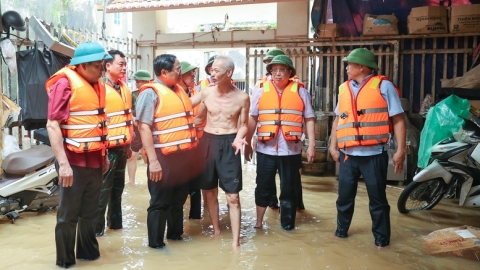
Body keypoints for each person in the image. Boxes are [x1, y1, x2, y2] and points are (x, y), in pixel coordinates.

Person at [329, 48, 406, 247]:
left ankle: (381, 241)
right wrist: (333, 146)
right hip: (348, 155)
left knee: (378, 200)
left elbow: (398, 119)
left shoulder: (384, 86)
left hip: (374, 154)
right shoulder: (343, 88)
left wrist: (400, 151)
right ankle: (340, 233)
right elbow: (338, 120)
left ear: (362, 67)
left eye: (350, 64)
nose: (346, 68)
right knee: (344, 198)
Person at [45, 42, 111, 268]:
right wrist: (63, 165)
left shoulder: (97, 83)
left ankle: (89, 256)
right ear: (81, 66)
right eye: (97, 66)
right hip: (72, 161)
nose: (101, 70)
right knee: (68, 215)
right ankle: (65, 261)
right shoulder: (64, 83)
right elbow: (52, 125)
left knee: (90, 213)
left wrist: (104, 156)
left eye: (103, 66)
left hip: (94, 160)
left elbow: (97, 124)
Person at [244, 55, 315, 231]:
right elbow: (253, 118)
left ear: (290, 72)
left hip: (290, 151)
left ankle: (287, 226)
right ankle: (259, 222)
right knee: (263, 186)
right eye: (274, 70)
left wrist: (311, 144)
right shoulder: (260, 91)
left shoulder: (301, 92)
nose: (277, 74)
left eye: (281, 70)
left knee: (288, 189)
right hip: (265, 149)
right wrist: (247, 142)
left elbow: (310, 119)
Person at [136, 54, 198, 248]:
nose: (180, 72)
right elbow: (144, 127)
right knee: (160, 202)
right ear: (164, 72)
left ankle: (175, 237)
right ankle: (156, 245)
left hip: (182, 156)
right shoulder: (150, 93)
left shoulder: (178, 90)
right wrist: (153, 161)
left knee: (178, 200)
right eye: (177, 69)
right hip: (162, 157)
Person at [193, 55, 250, 247]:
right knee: (209, 191)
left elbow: (243, 125)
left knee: (233, 196)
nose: (212, 73)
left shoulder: (242, 97)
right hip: (208, 141)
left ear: (229, 72)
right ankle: (216, 231)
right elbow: (198, 118)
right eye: (211, 70)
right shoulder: (206, 93)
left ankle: (235, 242)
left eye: (216, 70)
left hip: (229, 143)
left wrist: (239, 138)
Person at [253, 48, 306, 211]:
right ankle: (272, 203)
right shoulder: (261, 86)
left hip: (290, 145)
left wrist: (307, 143)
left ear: (288, 69)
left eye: (278, 66)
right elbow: (255, 115)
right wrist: (254, 136)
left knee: (291, 181)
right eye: (270, 65)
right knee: (266, 181)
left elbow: (304, 115)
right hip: (267, 143)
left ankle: (296, 206)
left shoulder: (297, 87)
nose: (273, 69)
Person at [95, 50, 134, 237]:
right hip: (107, 149)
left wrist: (128, 147)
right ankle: (97, 233)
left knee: (118, 189)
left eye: (125, 64)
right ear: (108, 66)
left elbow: (129, 118)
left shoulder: (124, 88)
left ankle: (116, 226)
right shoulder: (99, 88)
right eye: (121, 64)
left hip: (122, 147)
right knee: (103, 192)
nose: (124, 67)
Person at [178, 61, 203, 219]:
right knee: (180, 188)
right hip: (180, 148)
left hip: (196, 146)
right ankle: (178, 222)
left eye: (194, 72)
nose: (193, 75)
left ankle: (195, 219)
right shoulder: (174, 95)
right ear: (179, 75)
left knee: (196, 186)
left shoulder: (194, 92)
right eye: (189, 73)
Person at [127, 69, 152, 184]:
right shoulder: (133, 95)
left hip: (149, 129)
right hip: (136, 129)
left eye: (138, 81)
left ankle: (150, 182)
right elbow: (129, 111)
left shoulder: (154, 93)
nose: (136, 83)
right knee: (132, 155)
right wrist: (133, 118)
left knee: (148, 156)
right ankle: (132, 183)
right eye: (136, 81)